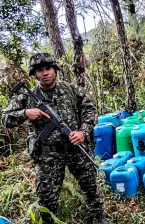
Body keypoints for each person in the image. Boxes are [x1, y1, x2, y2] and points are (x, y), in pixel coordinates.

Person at [2, 53, 104, 223]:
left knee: (91, 188)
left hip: (76, 149)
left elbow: (90, 110)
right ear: (34, 74)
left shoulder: (71, 90)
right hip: (48, 155)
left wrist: (82, 132)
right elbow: (5, 118)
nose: (45, 73)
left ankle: (96, 217)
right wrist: (26, 113)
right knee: (47, 198)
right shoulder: (27, 96)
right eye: (40, 70)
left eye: (48, 68)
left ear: (55, 70)